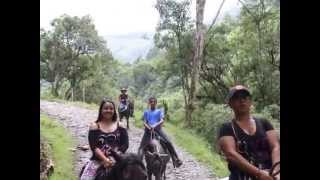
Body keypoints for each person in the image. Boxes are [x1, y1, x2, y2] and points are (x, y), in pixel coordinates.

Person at [218, 85, 280, 180]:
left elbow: (275, 146)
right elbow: (231, 154)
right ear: (230, 104)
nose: (242, 100)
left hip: (270, 175)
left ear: (250, 102)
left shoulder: (264, 123)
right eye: (237, 98)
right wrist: (259, 174)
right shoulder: (226, 128)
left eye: (244, 97)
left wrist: (276, 170)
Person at [80, 98, 129, 180]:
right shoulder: (94, 126)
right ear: (101, 110)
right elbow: (94, 147)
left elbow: (125, 145)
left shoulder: (120, 126)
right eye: (106, 108)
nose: (108, 110)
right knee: (85, 178)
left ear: (114, 111)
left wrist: (114, 158)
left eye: (111, 108)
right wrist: (105, 160)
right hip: (97, 161)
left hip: (117, 160)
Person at [138, 96, 183, 168]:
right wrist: (148, 127)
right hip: (148, 131)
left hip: (158, 130)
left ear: (156, 103)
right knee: (141, 147)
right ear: (149, 103)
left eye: (153, 102)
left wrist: (155, 125)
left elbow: (162, 120)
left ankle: (176, 158)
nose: (152, 103)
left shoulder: (159, 111)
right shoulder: (146, 112)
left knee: (168, 142)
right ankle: (138, 163)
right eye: (151, 101)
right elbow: (144, 122)